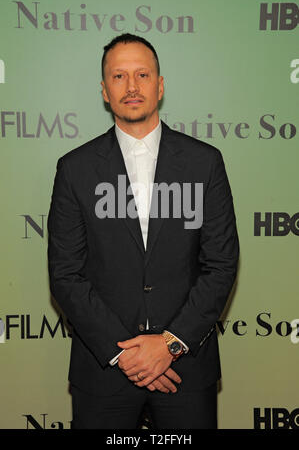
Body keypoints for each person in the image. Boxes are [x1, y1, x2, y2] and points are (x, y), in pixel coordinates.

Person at [47, 33, 239, 429]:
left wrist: (169, 345)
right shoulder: (75, 169)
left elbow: (220, 265)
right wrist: (129, 356)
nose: (132, 87)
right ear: (104, 90)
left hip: (186, 372)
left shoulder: (205, 163)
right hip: (104, 374)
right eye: (119, 76)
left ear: (160, 85)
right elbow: (66, 274)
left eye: (142, 75)